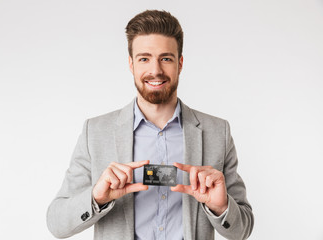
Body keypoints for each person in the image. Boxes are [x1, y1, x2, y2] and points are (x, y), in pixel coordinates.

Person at [47, 10, 254, 240]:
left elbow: (242, 229)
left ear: (180, 63)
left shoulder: (218, 132)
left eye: (166, 58)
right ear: (131, 64)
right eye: (144, 58)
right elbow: (57, 223)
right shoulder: (95, 132)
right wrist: (96, 198)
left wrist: (221, 206)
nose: (155, 70)